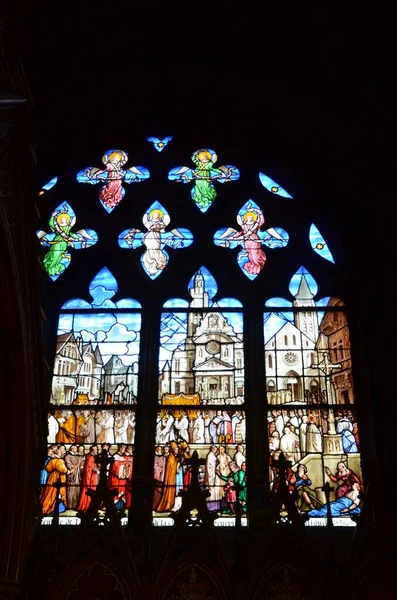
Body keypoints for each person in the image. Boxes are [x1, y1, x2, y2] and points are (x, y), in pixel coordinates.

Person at [40, 445, 68, 515]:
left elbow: (47, 468)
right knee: (57, 493)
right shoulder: (59, 461)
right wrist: (69, 471)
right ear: (58, 453)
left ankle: (49, 507)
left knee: (50, 492)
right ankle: (55, 508)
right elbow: (63, 470)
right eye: (60, 452)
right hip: (58, 478)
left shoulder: (52, 460)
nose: (62, 453)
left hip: (51, 477)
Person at [156, 441, 180, 512]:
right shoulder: (171, 458)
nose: (177, 451)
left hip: (172, 478)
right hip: (170, 479)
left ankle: (171, 505)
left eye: (177, 449)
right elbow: (172, 468)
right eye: (175, 449)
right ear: (172, 450)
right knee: (169, 491)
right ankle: (168, 505)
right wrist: (177, 464)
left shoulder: (173, 457)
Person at [76, 445, 100, 512]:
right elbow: (89, 468)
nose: (96, 451)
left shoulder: (92, 456)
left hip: (93, 477)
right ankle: (85, 506)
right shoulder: (90, 457)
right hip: (89, 478)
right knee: (88, 490)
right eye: (95, 450)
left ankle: (91, 506)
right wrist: (97, 470)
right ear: (92, 450)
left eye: (97, 449)